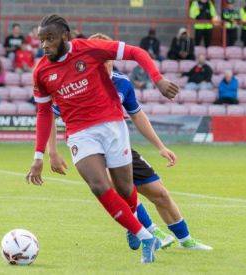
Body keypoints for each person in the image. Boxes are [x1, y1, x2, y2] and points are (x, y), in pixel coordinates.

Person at [26, 14, 179, 264]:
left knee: (126, 189)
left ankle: (132, 226)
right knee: (98, 185)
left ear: (65, 36)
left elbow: (137, 52)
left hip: (112, 127)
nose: (45, 45)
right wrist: (39, 156)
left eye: (50, 39)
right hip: (80, 133)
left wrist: (157, 79)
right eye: (41, 40)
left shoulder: (91, 49)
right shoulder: (41, 71)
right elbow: (44, 113)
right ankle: (145, 236)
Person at [48, 33, 212, 251]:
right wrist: (52, 151)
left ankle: (186, 240)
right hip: (91, 148)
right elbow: (48, 115)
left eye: (106, 61)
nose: (103, 65)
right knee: (117, 188)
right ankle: (150, 231)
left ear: (112, 59)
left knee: (159, 193)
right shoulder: (75, 84)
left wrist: (160, 146)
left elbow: (137, 114)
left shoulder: (122, 83)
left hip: (118, 143)